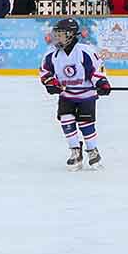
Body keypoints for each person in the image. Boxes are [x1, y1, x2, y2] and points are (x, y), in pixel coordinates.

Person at [40, 17, 110, 169]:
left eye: (61, 34)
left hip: (86, 96)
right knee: (66, 120)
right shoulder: (52, 54)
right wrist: (50, 83)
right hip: (66, 96)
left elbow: (96, 70)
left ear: (71, 35)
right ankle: (75, 151)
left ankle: (92, 150)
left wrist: (101, 83)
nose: (57, 37)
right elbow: (45, 72)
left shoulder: (85, 51)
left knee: (86, 124)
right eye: (56, 34)